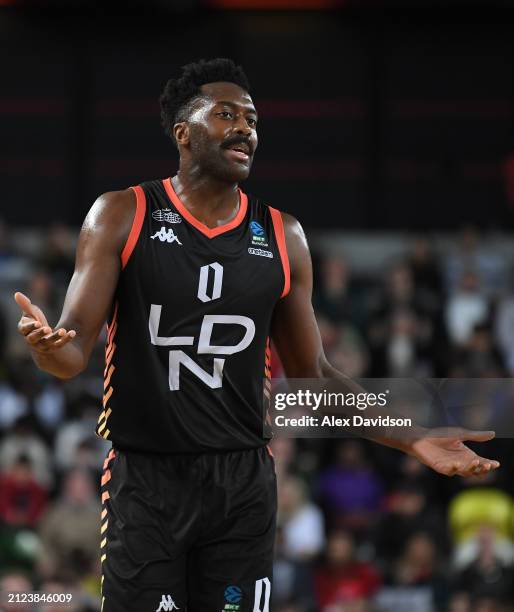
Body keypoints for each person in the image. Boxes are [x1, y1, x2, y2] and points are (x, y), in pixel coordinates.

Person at [14, 58, 500, 611]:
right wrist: (47, 349)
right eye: (226, 115)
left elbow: (314, 380)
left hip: (241, 484)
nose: (246, 127)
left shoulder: (283, 234)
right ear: (183, 133)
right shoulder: (122, 214)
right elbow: (72, 351)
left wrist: (412, 435)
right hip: (145, 480)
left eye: (252, 119)